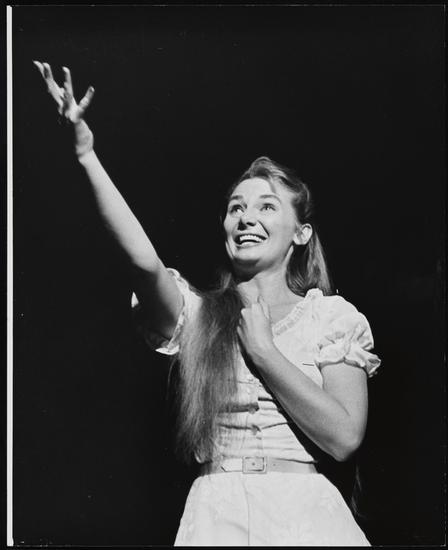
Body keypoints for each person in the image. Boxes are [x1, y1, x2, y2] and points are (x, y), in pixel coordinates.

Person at [33, 61, 381, 546]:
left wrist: (264, 352)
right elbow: (144, 263)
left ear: (301, 234)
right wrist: (87, 155)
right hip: (217, 516)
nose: (246, 218)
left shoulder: (332, 318)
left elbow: (344, 438)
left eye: (266, 206)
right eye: (236, 208)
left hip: (307, 518)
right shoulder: (198, 315)